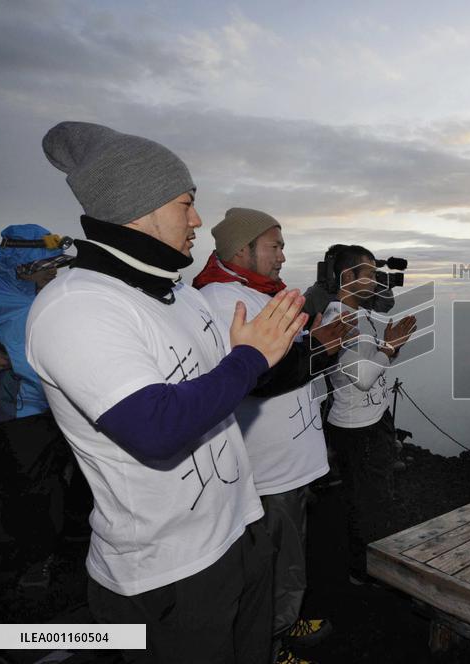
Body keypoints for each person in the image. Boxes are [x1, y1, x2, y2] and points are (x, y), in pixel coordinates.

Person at [27, 121, 308, 664]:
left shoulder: (180, 297)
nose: (198, 220)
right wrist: (250, 360)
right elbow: (155, 430)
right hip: (168, 572)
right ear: (141, 207)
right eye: (187, 203)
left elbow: (228, 386)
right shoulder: (78, 306)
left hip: (238, 533)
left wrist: (276, 354)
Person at [193, 208, 350, 663]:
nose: (283, 256)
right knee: (271, 567)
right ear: (243, 249)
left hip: (287, 464)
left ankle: (283, 622)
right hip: (269, 469)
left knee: (287, 561)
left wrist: (319, 346)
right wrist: (319, 349)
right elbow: (257, 376)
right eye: (274, 245)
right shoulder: (227, 302)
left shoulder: (260, 294)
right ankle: (270, 646)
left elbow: (288, 362)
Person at [0, 224, 75, 588]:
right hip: (17, 413)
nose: (54, 270)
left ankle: (36, 555)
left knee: (48, 485)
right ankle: (32, 564)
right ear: (23, 264)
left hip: (54, 409)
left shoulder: (50, 295)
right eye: (47, 263)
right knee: (26, 490)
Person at [319, 245, 416, 582]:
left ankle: (364, 565)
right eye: (370, 274)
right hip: (359, 429)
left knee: (369, 497)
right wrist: (389, 348)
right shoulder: (341, 321)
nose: (377, 281)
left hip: (368, 421)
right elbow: (361, 378)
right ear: (348, 277)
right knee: (367, 502)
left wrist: (389, 347)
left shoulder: (356, 315)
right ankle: (362, 572)